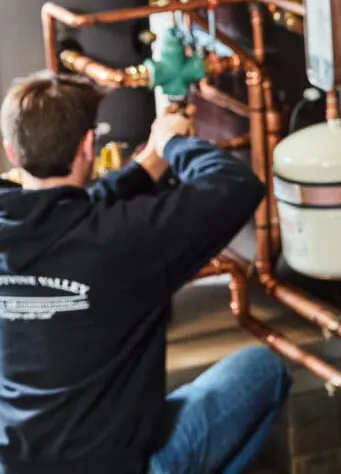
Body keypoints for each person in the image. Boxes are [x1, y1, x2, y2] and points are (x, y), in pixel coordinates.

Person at [0, 71, 292, 474]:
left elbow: (62, 213)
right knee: (263, 371)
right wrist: (174, 143)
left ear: (11, 152)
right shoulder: (126, 239)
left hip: (16, 464)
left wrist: (145, 167)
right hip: (115, 467)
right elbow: (235, 184)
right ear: (88, 145)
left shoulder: (16, 218)